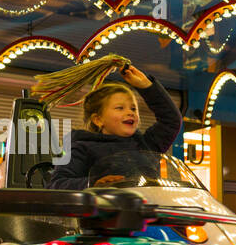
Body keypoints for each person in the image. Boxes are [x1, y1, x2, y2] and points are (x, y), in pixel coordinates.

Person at [48, 63, 182, 189]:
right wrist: (94, 183)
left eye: (134, 109)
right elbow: (58, 183)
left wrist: (147, 86)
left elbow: (171, 120)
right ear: (98, 120)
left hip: (145, 210)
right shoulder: (81, 148)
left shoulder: (146, 144)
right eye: (120, 108)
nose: (130, 113)